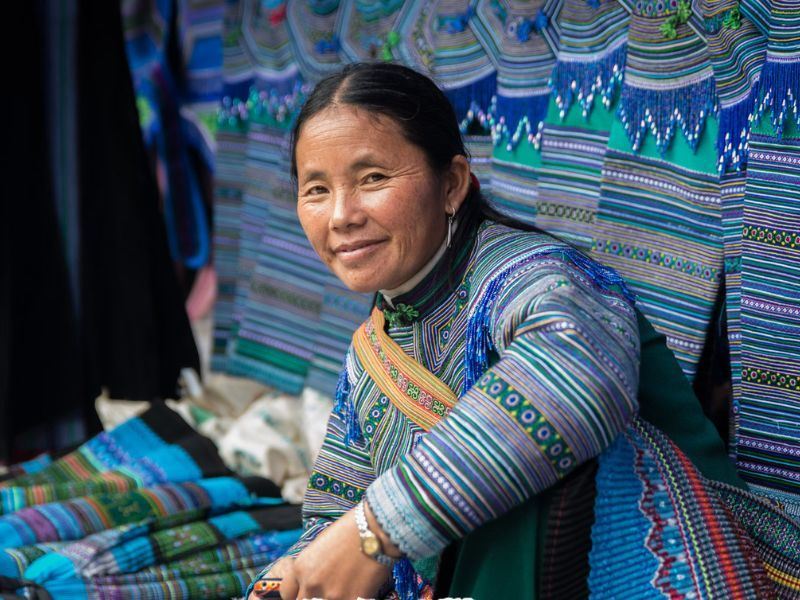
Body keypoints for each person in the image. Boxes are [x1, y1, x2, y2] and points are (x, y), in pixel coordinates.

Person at [247, 62, 798, 600]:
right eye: (316, 189)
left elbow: (571, 389)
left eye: (373, 178)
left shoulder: (536, 276)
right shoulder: (374, 348)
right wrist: (298, 574)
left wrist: (375, 532)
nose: (341, 215)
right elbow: (335, 508)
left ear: (453, 183)